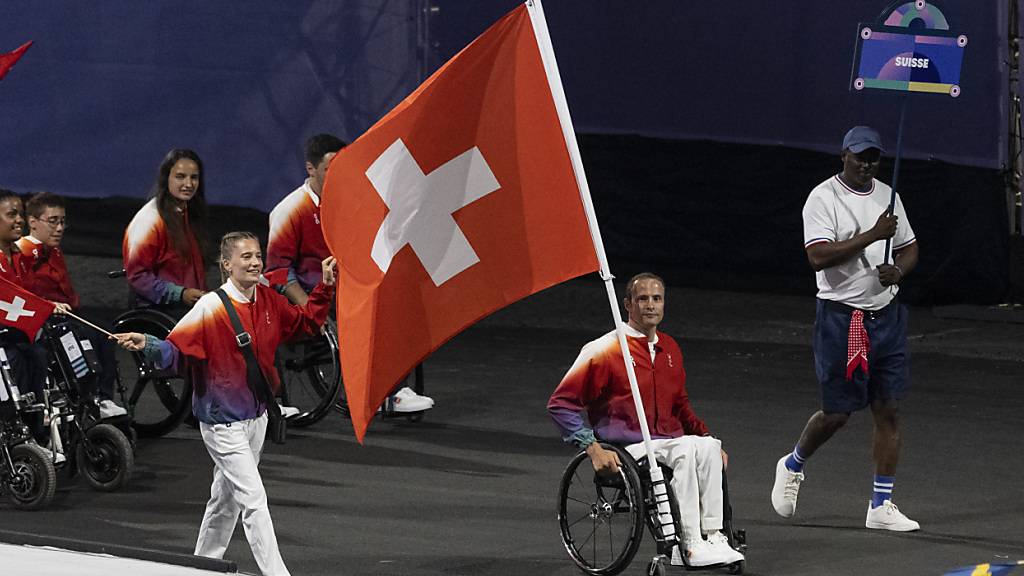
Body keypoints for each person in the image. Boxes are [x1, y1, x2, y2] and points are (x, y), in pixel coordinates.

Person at [112, 231, 337, 576]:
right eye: (245, 257)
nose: (254, 262)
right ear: (227, 264)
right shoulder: (211, 307)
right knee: (253, 499)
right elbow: (176, 351)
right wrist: (148, 343)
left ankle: (201, 565)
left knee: (225, 499)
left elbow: (306, 323)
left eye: (257, 256)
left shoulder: (268, 300)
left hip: (257, 417)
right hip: (222, 421)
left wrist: (324, 286)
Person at [771, 126, 920, 532]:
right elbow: (817, 256)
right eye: (859, 156)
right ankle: (793, 463)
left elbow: (909, 246)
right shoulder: (823, 198)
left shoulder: (890, 197)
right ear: (844, 155)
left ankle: (880, 505)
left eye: (873, 158)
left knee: (888, 409)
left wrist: (898, 272)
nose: (866, 164)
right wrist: (872, 234)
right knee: (837, 414)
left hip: (884, 318)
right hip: (842, 320)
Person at [548, 273, 744, 568]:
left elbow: (680, 405)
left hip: (666, 441)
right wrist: (592, 447)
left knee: (707, 446)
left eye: (657, 298)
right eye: (642, 299)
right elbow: (560, 404)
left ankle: (714, 535)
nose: (650, 305)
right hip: (627, 448)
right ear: (627, 304)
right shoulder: (606, 349)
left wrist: (706, 437)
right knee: (686, 450)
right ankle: (688, 543)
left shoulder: (670, 349)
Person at [266, 133, 433, 413]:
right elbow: (278, 272)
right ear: (311, 169)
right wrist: (310, 308)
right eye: (330, 170)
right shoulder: (290, 210)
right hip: (309, 294)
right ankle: (387, 394)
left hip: (347, 289)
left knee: (395, 306)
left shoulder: (352, 202)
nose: (338, 176)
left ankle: (393, 390)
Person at [17, 192, 126, 418]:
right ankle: (85, 396)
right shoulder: (22, 251)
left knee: (106, 332)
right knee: (82, 335)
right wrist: (47, 306)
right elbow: (22, 293)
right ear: (33, 222)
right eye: (53, 221)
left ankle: (103, 398)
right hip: (42, 319)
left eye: (62, 221)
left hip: (67, 313)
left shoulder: (54, 250)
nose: (59, 228)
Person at [0, 189, 69, 460]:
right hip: (3, 341)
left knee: (39, 354)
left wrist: (47, 306)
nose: (20, 220)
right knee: (14, 359)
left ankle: (34, 430)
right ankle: (15, 432)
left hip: (13, 335)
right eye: (11, 214)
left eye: (20, 213)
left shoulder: (19, 256)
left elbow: (27, 297)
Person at [123, 148, 208, 310]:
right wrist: (181, 294)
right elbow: (137, 277)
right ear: (166, 178)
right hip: (158, 312)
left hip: (188, 309)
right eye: (180, 177)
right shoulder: (149, 221)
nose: (188, 184)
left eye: (194, 178)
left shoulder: (188, 213)